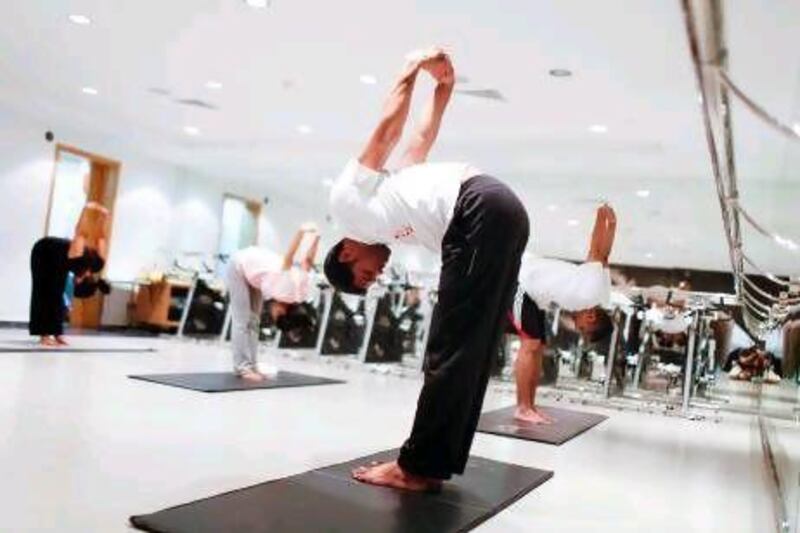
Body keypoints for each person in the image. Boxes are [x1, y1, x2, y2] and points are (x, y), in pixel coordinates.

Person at [324, 48, 529, 491]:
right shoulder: (395, 197)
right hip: (498, 213)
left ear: (344, 254)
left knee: (449, 350)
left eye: (364, 275)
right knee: (470, 352)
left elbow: (386, 134)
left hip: (480, 212)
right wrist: (444, 90)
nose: (375, 276)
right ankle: (435, 464)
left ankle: (416, 467)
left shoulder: (348, 208)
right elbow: (420, 137)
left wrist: (411, 68)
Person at [507, 204, 617, 425]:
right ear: (592, 317)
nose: (577, 328)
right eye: (583, 329)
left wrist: (612, 225)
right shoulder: (589, 294)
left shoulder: (600, 294)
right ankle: (522, 407)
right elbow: (596, 249)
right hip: (520, 283)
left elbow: (604, 255)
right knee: (530, 344)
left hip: (534, 297)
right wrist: (600, 218)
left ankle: (530, 405)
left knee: (538, 347)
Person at [227, 225, 320, 381]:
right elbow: (289, 257)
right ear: (282, 312)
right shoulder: (283, 290)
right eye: (275, 316)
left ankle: (252, 365)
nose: (271, 313)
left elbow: (308, 261)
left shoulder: (300, 294)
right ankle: (242, 368)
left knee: (254, 322)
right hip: (239, 265)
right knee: (242, 321)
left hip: (254, 272)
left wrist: (317, 238)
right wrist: (300, 232)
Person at [29, 201, 109, 346]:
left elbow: (100, 238)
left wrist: (103, 216)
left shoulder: (91, 263)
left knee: (57, 293)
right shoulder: (80, 258)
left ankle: (56, 333)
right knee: (44, 292)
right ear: (81, 279)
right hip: (43, 251)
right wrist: (87, 209)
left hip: (57, 258)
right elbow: (81, 232)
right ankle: (44, 335)